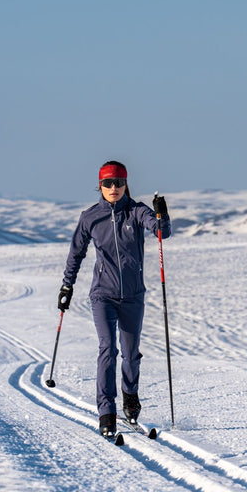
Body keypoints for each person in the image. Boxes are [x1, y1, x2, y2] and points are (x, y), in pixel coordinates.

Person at [58, 160, 171, 437]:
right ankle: (106, 412)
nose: (113, 188)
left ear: (126, 184)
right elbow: (76, 253)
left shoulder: (136, 211)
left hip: (133, 296)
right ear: (100, 186)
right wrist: (67, 286)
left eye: (119, 182)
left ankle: (130, 399)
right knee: (108, 349)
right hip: (103, 295)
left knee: (131, 355)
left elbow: (161, 233)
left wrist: (161, 216)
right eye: (108, 183)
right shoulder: (90, 217)